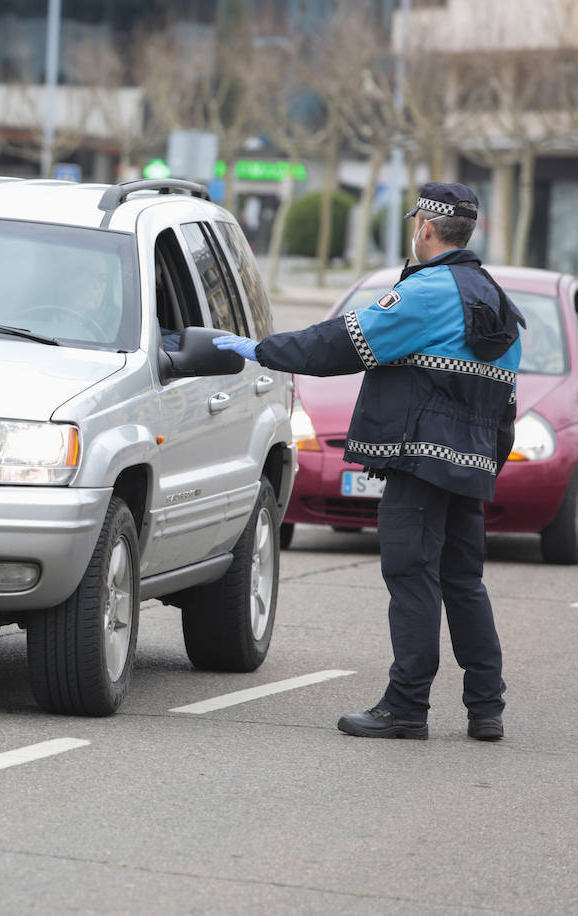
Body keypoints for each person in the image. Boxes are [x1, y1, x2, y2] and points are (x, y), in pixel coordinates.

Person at [213, 182, 523, 742]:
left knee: (411, 576)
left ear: (425, 228)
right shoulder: (499, 301)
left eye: (415, 226)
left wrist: (260, 349)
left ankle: (406, 707)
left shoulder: (427, 293)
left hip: (419, 465)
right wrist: (482, 469)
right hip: (469, 470)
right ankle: (485, 708)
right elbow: (505, 406)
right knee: (463, 582)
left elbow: (343, 342)